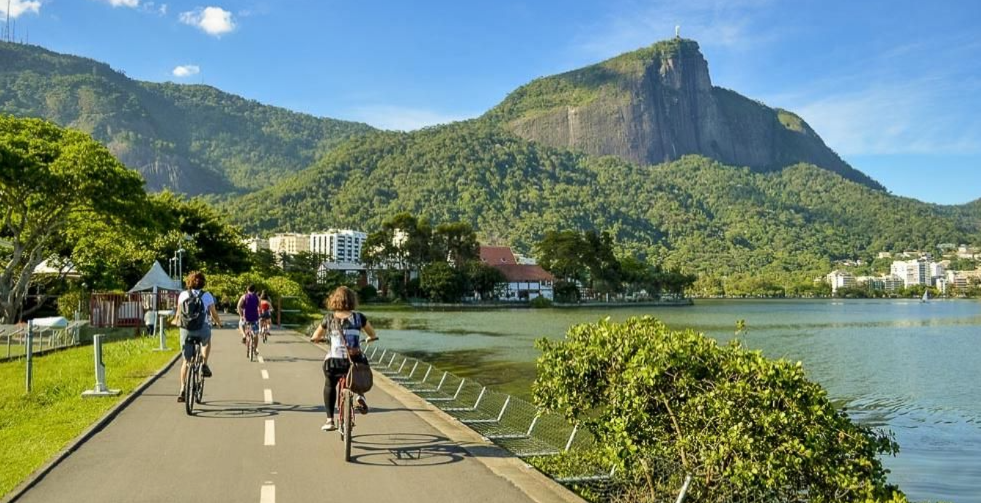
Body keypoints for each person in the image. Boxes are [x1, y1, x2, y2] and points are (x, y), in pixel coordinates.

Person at [310, 286, 378, 431]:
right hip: (353, 361)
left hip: (334, 362)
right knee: (361, 369)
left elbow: (315, 337)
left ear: (334, 301)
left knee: (329, 384)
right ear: (352, 301)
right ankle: (360, 395)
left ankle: (329, 420)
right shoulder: (359, 317)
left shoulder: (329, 318)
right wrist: (370, 338)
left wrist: (319, 340)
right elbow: (372, 334)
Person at [173, 271, 221, 402]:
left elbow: (179, 312)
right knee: (207, 341)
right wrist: (219, 323)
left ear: (189, 282)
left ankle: (182, 389)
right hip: (202, 328)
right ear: (203, 283)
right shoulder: (207, 295)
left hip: (186, 330)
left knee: (186, 362)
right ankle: (204, 364)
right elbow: (213, 313)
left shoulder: (183, 295)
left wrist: (175, 321)